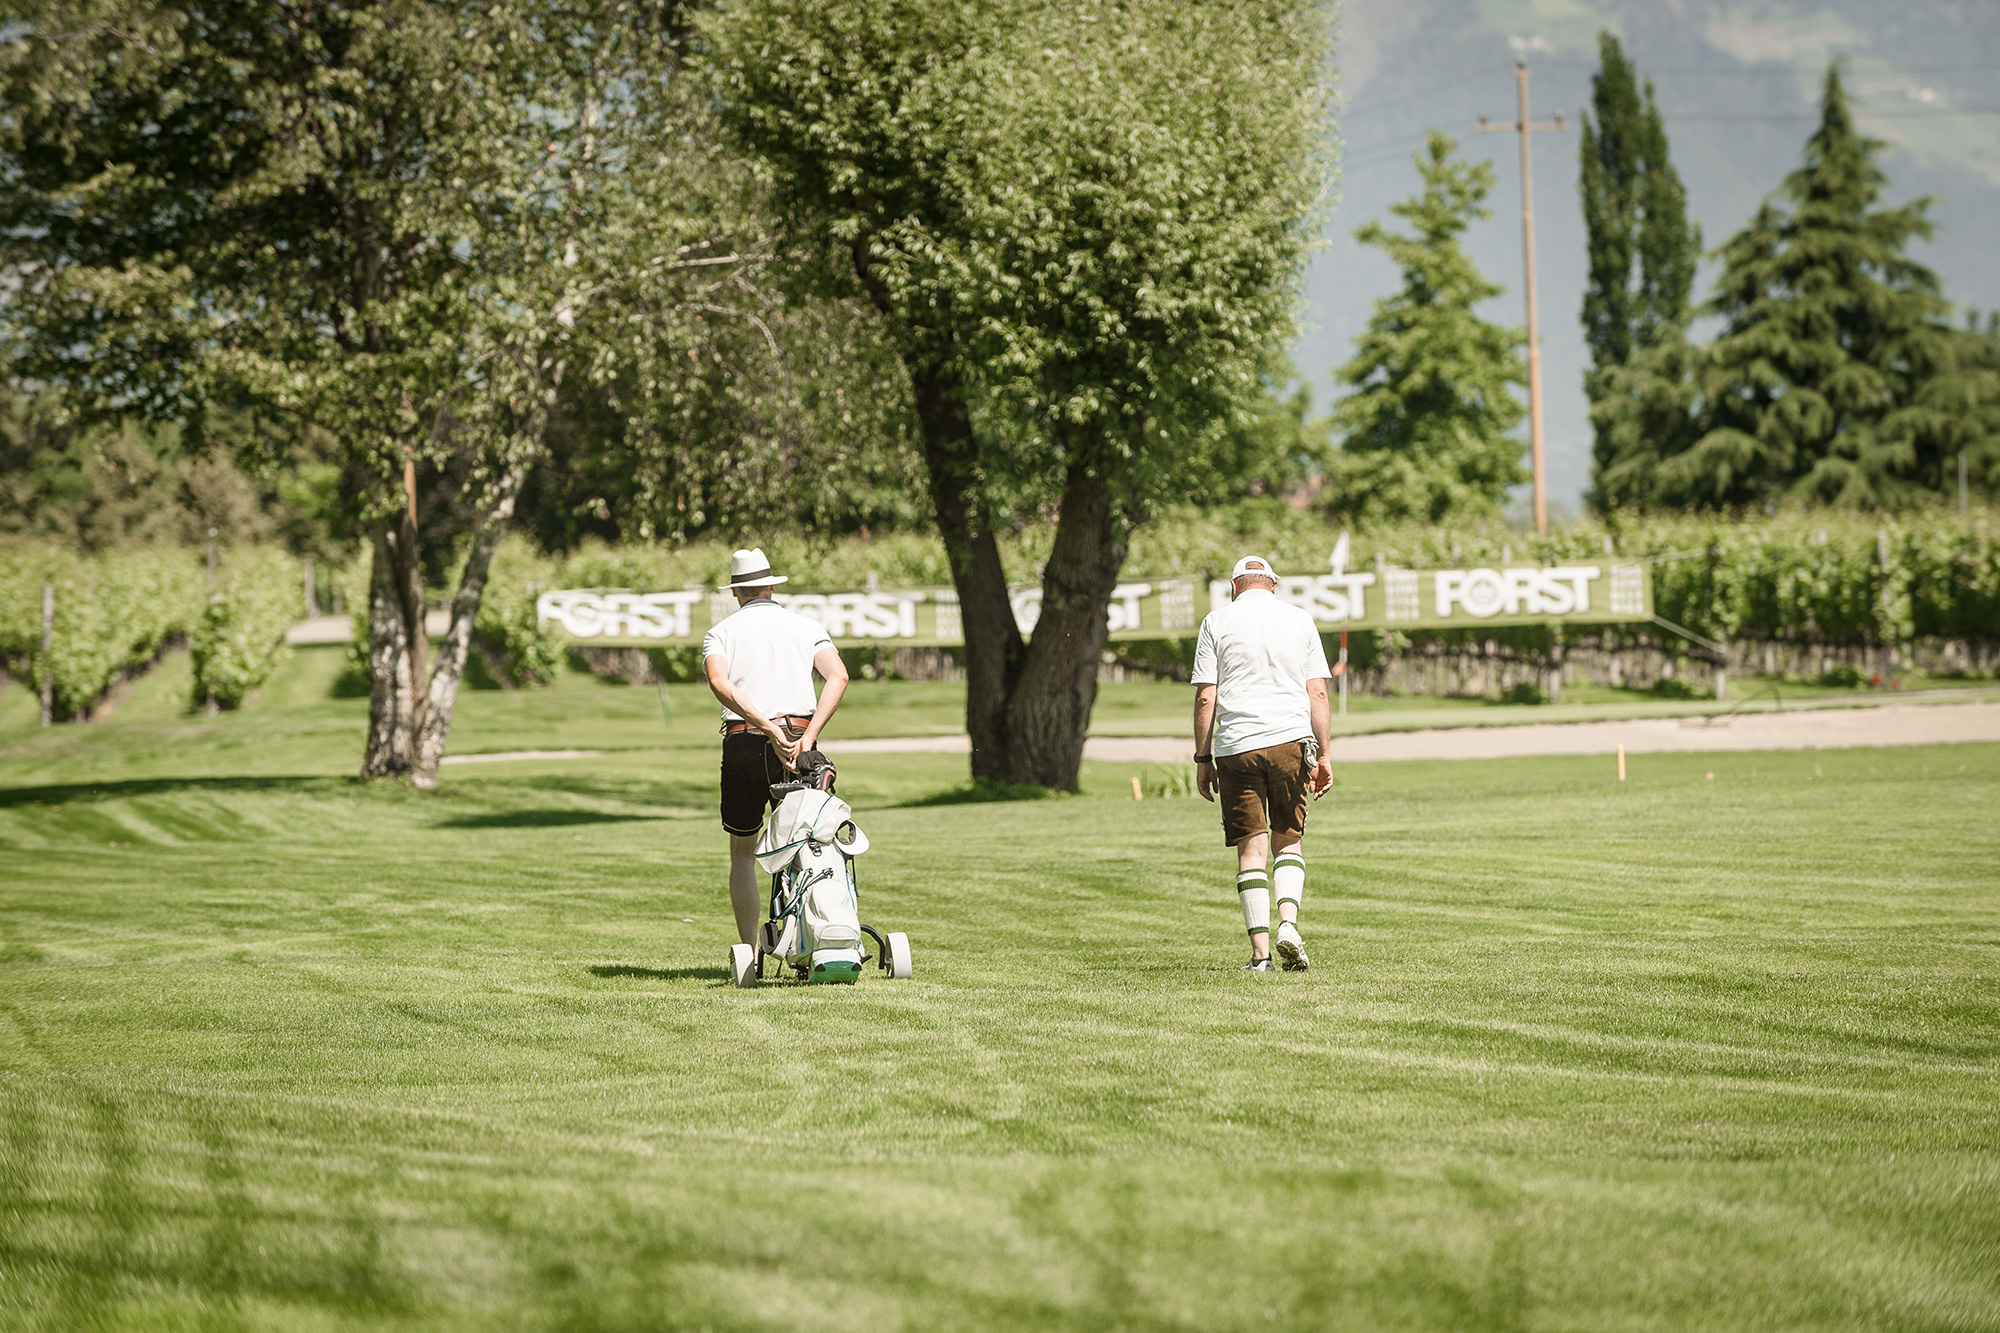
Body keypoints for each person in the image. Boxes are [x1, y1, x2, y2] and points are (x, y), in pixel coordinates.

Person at [1191, 554, 1339, 972]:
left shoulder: (1216, 622)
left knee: (1250, 849)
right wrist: (1324, 754)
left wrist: (1203, 758)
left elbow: (1206, 696)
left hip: (1237, 746)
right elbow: (1318, 694)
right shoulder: (1299, 619)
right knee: (1288, 839)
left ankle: (1260, 958)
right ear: (1272, 585)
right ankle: (1288, 924)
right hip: (1291, 741)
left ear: (1234, 587)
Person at [702, 548, 849, 947]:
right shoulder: (805, 626)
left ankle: (750, 952)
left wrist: (766, 727)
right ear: (770, 585)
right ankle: (815, 940)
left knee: (742, 852)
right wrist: (808, 737)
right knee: (808, 841)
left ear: (735, 592)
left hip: (744, 743)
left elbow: (720, 683)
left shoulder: (721, 633)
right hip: (800, 742)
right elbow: (838, 676)